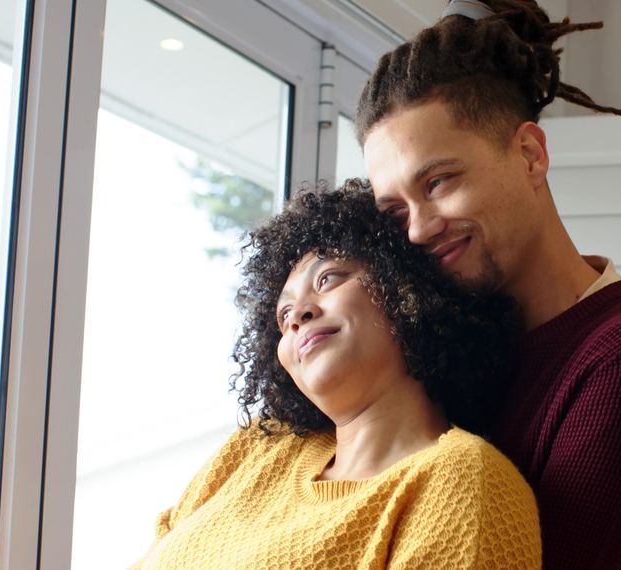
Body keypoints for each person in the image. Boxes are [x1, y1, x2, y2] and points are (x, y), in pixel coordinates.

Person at [354, 1, 621, 568]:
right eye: (395, 210)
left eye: (440, 181)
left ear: (529, 154)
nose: (418, 229)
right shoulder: (442, 340)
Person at [131, 183, 541, 569]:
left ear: (404, 287)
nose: (298, 316)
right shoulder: (257, 448)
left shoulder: (463, 481)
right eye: (283, 314)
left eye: (327, 279)